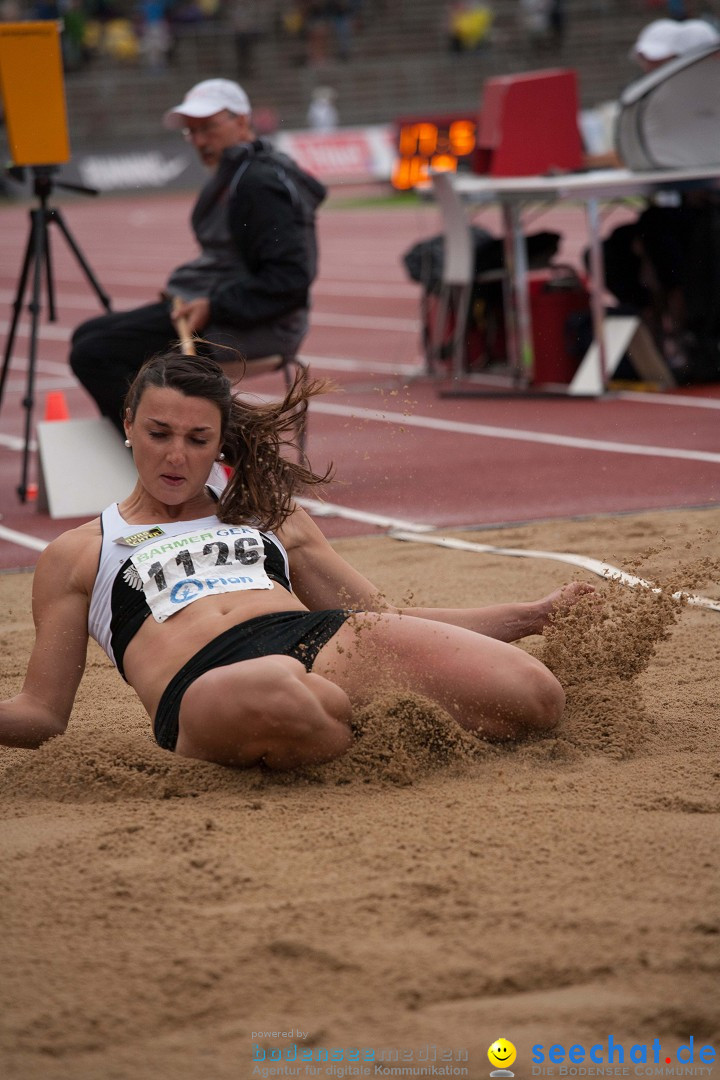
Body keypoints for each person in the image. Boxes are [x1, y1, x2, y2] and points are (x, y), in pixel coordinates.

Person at [0, 352, 592, 771]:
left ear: (221, 441)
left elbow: (378, 617)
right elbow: (41, 714)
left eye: (198, 439)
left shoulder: (271, 518)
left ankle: (336, 724)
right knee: (277, 690)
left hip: (319, 640)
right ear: (127, 425)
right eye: (159, 432)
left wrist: (530, 616)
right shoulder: (79, 552)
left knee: (535, 696)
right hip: (203, 683)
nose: (176, 456)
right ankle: (346, 721)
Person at [69, 79, 327, 436]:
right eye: (191, 132)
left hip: (256, 326)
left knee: (95, 353)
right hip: (222, 310)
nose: (200, 141)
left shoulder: (259, 183)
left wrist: (214, 306)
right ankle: (172, 448)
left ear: (242, 121)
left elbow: (290, 280)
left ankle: (194, 457)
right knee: (88, 334)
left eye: (208, 128)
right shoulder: (239, 173)